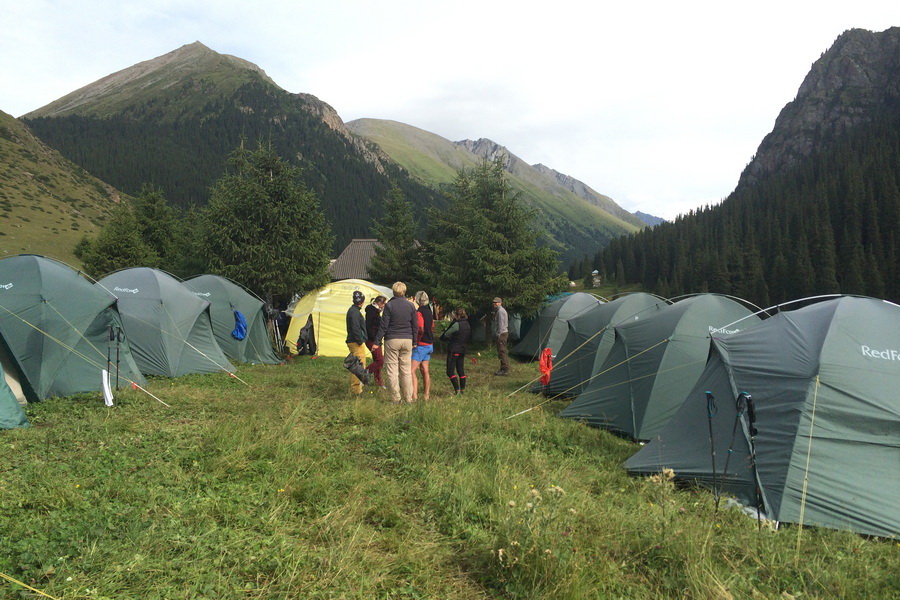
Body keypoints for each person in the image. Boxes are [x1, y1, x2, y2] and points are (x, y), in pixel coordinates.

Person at [372, 282, 418, 404]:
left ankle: (396, 399)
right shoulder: (411, 306)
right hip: (407, 339)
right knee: (406, 371)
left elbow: (383, 326)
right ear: (404, 291)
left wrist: (377, 342)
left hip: (392, 339)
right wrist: (415, 341)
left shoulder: (389, 306)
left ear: (393, 291)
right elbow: (415, 325)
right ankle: (409, 399)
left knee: (392, 371)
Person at [440, 308, 471, 394]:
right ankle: (463, 390)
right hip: (463, 349)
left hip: (454, 349)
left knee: (450, 371)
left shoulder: (457, 324)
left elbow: (446, 334)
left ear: (457, 315)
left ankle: (456, 390)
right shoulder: (467, 324)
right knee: (460, 370)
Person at [411, 291, 434, 401]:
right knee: (425, 370)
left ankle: (414, 395)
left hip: (421, 345)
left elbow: (420, 328)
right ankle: (426, 395)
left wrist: (416, 342)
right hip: (429, 344)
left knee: (411, 371)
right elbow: (432, 327)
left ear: (417, 300)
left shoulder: (418, 312)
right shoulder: (430, 312)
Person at [345, 290, 368, 394]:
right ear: (362, 301)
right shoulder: (354, 312)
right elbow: (355, 327)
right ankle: (356, 390)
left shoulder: (354, 310)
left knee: (359, 364)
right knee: (358, 366)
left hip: (355, 341)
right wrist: (360, 340)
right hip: (355, 342)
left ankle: (358, 388)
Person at [365, 295, 387, 387]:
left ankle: (378, 382)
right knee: (380, 360)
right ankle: (364, 372)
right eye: (383, 304)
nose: (384, 306)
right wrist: (375, 340)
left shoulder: (375, 311)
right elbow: (369, 327)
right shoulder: (371, 311)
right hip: (372, 340)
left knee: (376, 360)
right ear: (379, 303)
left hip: (375, 340)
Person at [492, 296, 509, 375]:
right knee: (501, 351)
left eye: (496, 302)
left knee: (502, 351)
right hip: (502, 333)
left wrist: (498, 334)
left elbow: (501, 324)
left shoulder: (500, 311)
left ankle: (504, 369)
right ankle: (503, 368)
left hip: (502, 334)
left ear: (500, 303)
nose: (494, 304)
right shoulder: (499, 311)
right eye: (494, 302)